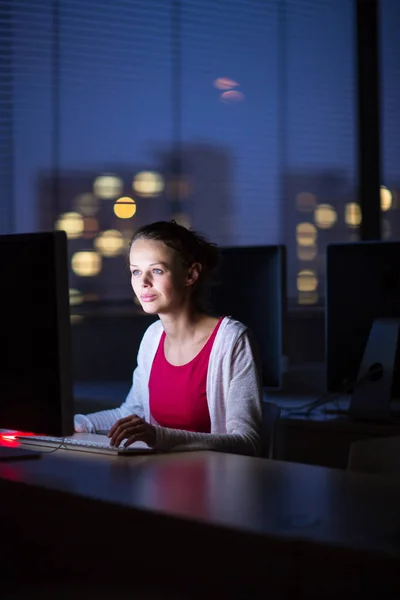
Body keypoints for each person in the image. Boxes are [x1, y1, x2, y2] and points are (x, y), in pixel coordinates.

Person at [74, 220, 262, 456]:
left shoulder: (232, 340)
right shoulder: (152, 337)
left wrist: (157, 436)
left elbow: (248, 441)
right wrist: (73, 423)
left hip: (215, 485)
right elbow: (131, 413)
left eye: (157, 270)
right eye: (136, 271)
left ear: (191, 274)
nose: (143, 283)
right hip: (159, 479)